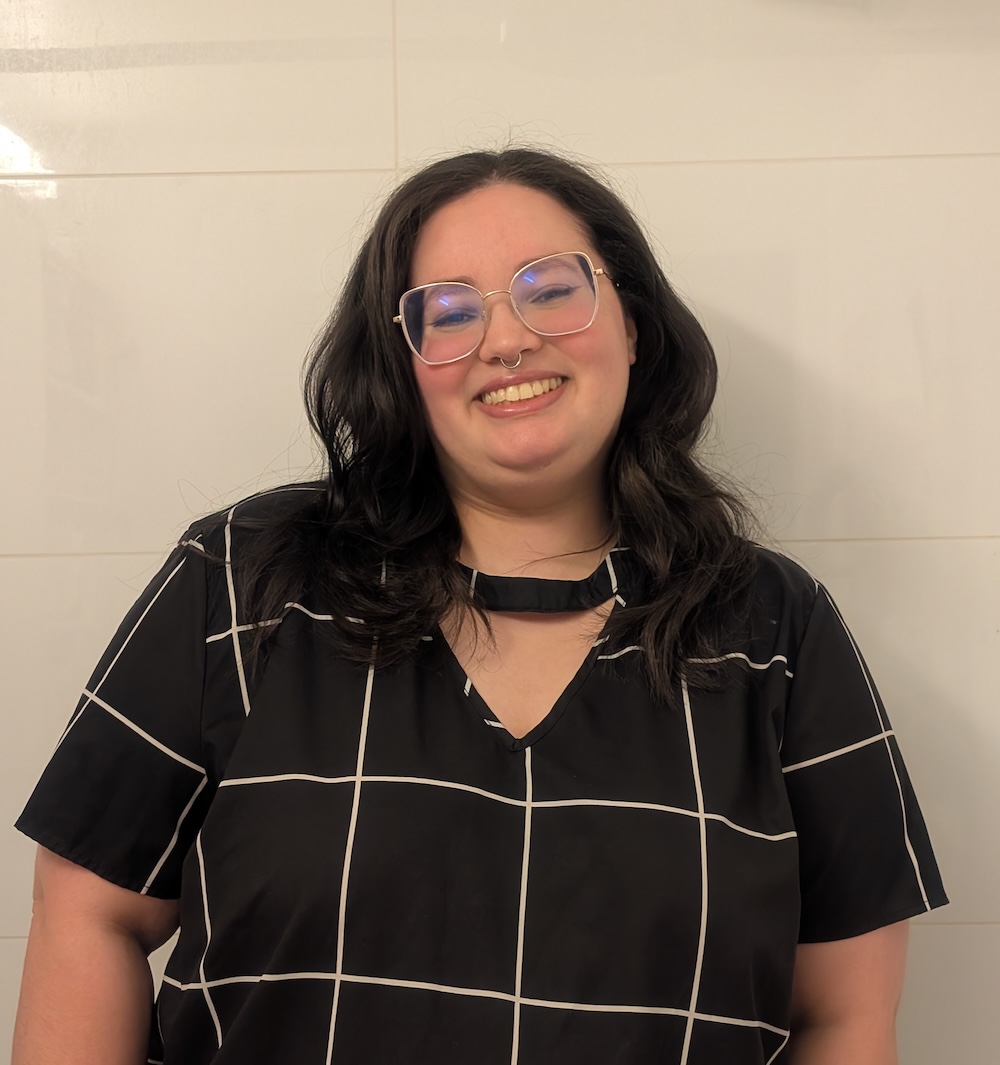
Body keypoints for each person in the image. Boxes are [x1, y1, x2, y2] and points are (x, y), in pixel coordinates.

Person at [12, 148, 947, 1065]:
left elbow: (845, 1014)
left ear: (634, 325)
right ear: (402, 366)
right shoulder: (242, 579)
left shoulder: (779, 631)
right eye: (448, 313)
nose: (506, 339)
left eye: (550, 289)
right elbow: (87, 913)